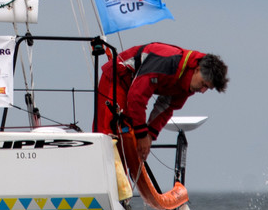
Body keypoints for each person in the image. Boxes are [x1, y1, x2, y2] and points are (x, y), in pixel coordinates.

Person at [93, 42, 226, 168]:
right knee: (110, 133)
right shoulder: (167, 61)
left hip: (131, 88)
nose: (202, 91)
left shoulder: (187, 84)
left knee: (127, 141)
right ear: (197, 69)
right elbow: (137, 97)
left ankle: (121, 176)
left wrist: (149, 135)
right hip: (117, 78)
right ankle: (99, 171)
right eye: (203, 84)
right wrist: (142, 135)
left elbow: (165, 107)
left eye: (207, 88)